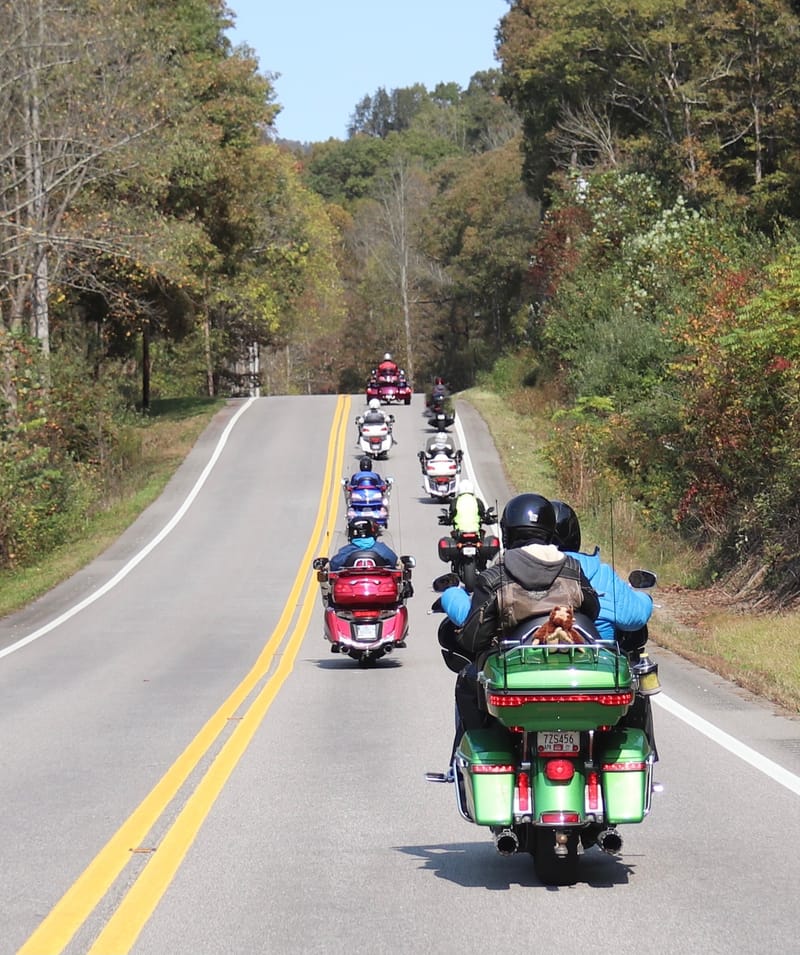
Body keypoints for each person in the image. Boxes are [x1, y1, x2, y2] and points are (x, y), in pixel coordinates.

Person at [436, 493, 600, 759]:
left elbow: (473, 638)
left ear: (508, 533)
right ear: (550, 531)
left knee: (467, 681)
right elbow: (592, 610)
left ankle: (469, 755)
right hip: (572, 664)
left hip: (516, 671)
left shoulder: (494, 577)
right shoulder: (572, 568)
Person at [550, 499, 659, 757]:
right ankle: (646, 753)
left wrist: (453, 594)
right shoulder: (596, 571)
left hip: (527, 681)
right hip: (596, 676)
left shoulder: (510, 572)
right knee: (634, 684)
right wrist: (644, 597)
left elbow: (473, 617)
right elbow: (635, 616)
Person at [329, 517, 399, 571]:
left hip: (352, 585)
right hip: (378, 585)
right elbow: (393, 560)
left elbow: (334, 565)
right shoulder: (381, 548)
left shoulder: (346, 550)